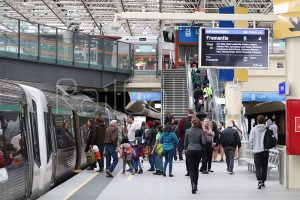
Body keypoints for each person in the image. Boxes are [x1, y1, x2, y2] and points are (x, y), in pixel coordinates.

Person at [184, 117, 206, 194]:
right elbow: (204, 142)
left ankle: (192, 184)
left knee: (191, 169)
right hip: (198, 151)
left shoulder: (187, 131)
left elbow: (185, 142)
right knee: (196, 168)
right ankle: (196, 184)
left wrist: (185, 149)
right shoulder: (201, 131)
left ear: (191, 123)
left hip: (190, 151)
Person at [249, 115, 269, 189]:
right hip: (265, 151)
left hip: (257, 151)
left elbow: (250, 141)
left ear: (257, 121)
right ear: (264, 121)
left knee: (257, 167)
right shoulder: (267, 129)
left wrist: (253, 146)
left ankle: (259, 181)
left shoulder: (253, 129)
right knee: (264, 167)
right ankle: (263, 181)